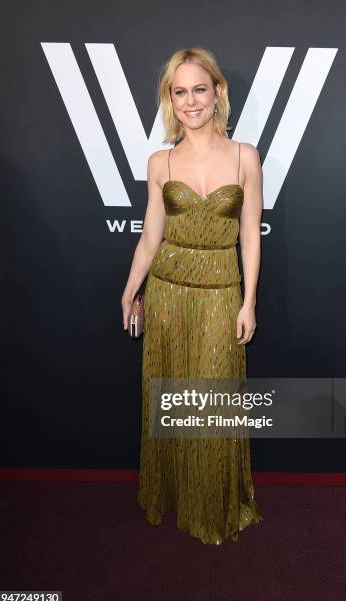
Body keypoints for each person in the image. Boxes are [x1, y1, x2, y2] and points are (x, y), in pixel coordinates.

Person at [121, 47, 263, 544]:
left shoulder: (245, 155)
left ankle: (214, 501)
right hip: (168, 292)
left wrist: (248, 301)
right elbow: (149, 236)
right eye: (179, 92)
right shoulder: (160, 161)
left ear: (217, 91)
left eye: (199, 89)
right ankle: (176, 493)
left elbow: (250, 233)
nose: (190, 100)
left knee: (213, 400)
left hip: (221, 291)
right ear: (170, 100)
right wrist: (131, 288)